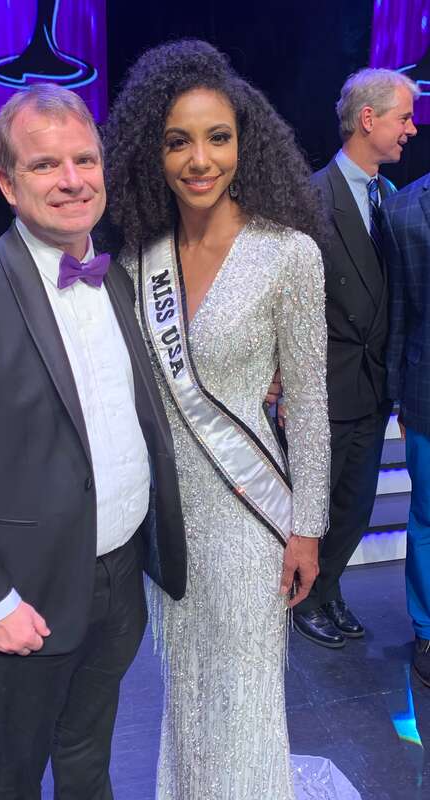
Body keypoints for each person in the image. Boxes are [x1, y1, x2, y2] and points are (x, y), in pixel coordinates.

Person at [0, 84, 187, 800]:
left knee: (88, 757)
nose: (71, 180)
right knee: (13, 775)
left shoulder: (120, 279)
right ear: (6, 181)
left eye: (84, 159)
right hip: (22, 597)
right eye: (44, 164)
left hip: (120, 580)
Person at [104, 39, 347, 800]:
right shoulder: (140, 261)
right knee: (189, 698)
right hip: (168, 522)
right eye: (179, 140)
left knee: (244, 703)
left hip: (248, 520)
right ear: (155, 150)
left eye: (218, 137)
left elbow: (308, 404)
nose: (200, 159)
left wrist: (307, 526)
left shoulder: (288, 255)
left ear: (246, 143)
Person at [293, 68, 419, 648]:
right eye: (404, 117)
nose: (412, 130)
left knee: (356, 504)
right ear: (369, 119)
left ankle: (331, 587)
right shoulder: (311, 198)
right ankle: (305, 598)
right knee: (319, 503)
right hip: (325, 384)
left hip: (374, 384)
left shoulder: (391, 198)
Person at [382, 173, 430, 688]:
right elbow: (397, 313)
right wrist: (394, 392)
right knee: (427, 516)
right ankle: (427, 631)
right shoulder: (403, 212)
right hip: (426, 389)